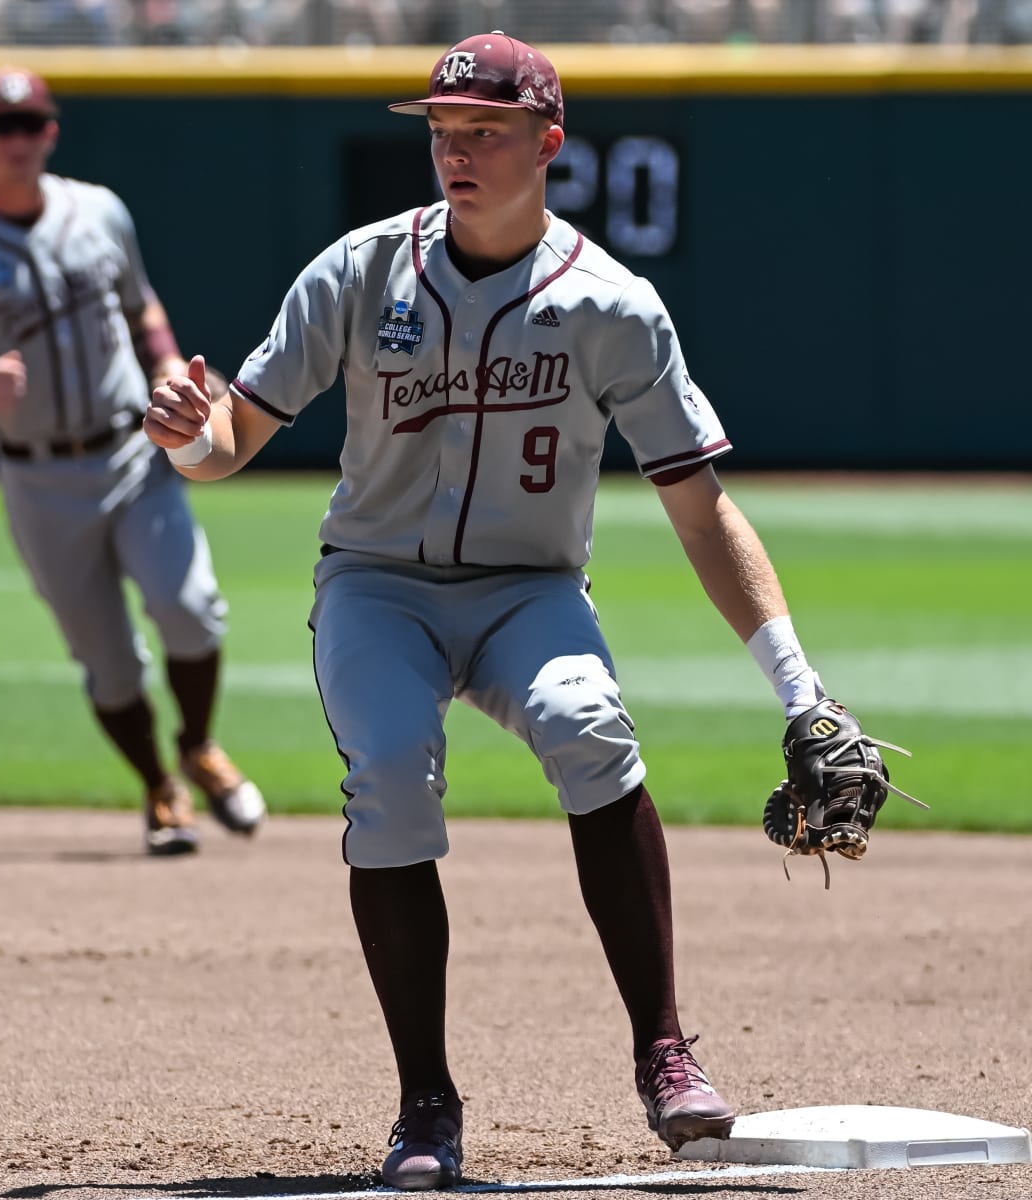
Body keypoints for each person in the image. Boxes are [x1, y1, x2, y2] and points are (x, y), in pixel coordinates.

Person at [143, 30, 845, 1187]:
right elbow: (233, 438)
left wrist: (798, 685)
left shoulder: (615, 307)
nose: (455, 152)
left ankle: (665, 1052)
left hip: (529, 593)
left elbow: (701, 510)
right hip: (378, 584)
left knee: (592, 729)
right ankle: (426, 1106)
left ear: (548, 142)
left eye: (485, 132)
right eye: (441, 131)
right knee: (390, 771)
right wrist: (188, 438)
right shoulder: (359, 272)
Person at [0, 65, 265, 857]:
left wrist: (167, 366)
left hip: (131, 451)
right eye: (1, 126)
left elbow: (143, 307)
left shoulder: (98, 211)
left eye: (30, 124)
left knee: (191, 606)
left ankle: (199, 748)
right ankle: (160, 791)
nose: (17, 140)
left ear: (51, 132)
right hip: (36, 476)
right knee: (106, 660)